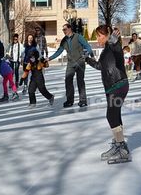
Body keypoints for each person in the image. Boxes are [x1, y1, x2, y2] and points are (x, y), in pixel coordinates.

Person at [85, 26, 131, 164]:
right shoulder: (105, 50)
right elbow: (100, 66)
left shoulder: (112, 46)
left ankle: (122, 148)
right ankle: (118, 145)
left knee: (111, 115)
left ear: (107, 36)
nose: (97, 38)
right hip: (112, 86)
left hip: (118, 85)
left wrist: (113, 41)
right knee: (115, 115)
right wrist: (87, 59)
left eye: (99, 36)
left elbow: (117, 50)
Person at [49, 24, 93, 108]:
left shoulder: (78, 37)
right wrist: (50, 58)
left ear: (70, 29)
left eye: (65, 29)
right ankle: (69, 101)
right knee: (68, 81)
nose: (64, 31)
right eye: (63, 30)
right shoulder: (64, 40)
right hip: (70, 63)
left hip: (80, 62)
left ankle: (83, 100)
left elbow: (87, 46)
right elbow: (59, 51)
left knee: (80, 81)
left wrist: (90, 55)